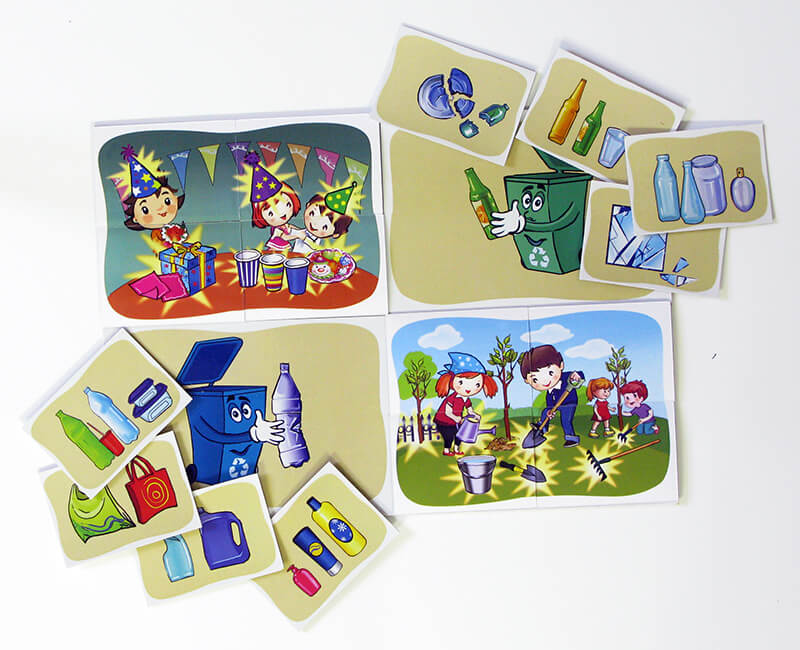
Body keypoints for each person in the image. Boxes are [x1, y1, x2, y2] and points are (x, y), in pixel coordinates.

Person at [120, 145, 187, 248]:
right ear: (135, 219)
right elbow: (159, 247)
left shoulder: (173, 228)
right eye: (145, 210)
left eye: (167, 201)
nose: (160, 208)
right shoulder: (156, 234)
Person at [433, 352, 498, 457]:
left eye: (477, 384)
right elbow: (447, 412)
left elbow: (470, 410)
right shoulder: (452, 398)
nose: (468, 389)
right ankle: (446, 450)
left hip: (456, 420)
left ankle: (456, 449)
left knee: (460, 434)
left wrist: (475, 415)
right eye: (461, 382)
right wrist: (456, 418)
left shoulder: (466, 399)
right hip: (444, 421)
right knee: (449, 435)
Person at [519, 344, 584, 448]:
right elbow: (549, 401)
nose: (545, 381)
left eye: (550, 372)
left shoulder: (566, 377)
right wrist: (550, 411)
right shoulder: (549, 391)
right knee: (545, 411)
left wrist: (577, 375)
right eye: (535, 379)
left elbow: (579, 375)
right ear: (527, 380)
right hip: (556, 404)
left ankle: (571, 438)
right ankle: (542, 428)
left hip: (569, 403)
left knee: (566, 420)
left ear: (561, 365)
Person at [244, 151, 303, 251]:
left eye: (288, 204)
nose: (282, 214)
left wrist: (301, 231)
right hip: (275, 247)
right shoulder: (277, 229)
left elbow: (291, 228)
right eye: (270, 213)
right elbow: (283, 237)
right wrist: (297, 235)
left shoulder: (284, 225)